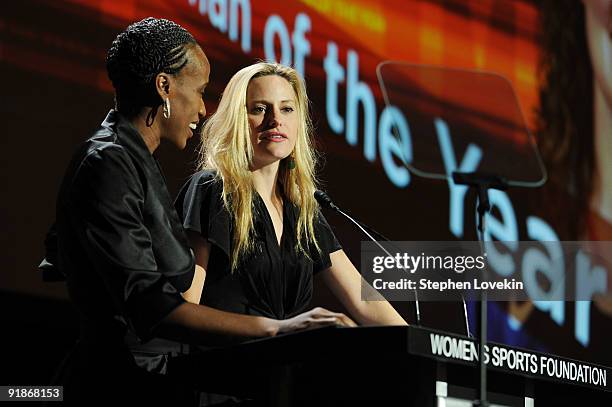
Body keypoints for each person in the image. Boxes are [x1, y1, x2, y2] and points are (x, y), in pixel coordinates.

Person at [48, 18, 351, 406]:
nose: (204, 108)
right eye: (200, 91)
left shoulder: (132, 162)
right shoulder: (110, 163)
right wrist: (280, 329)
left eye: (288, 109)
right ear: (165, 87)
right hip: (115, 386)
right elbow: (158, 308)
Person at [174, 62, 407, 340]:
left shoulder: (303, 210)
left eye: (286, 108)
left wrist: (426, 349)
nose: (275, 120)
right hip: (223, 372)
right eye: (260, 109)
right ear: (237, 119)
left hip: (287, 374)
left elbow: (367, 304)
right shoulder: (212, 190)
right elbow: (182, 312)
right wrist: (279, 330)